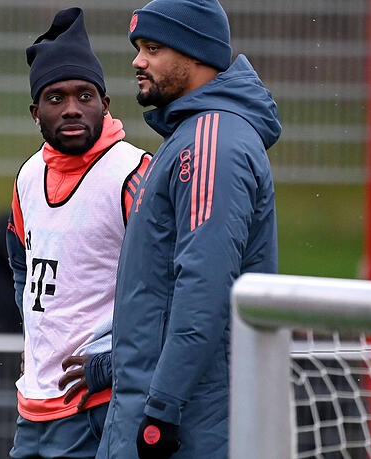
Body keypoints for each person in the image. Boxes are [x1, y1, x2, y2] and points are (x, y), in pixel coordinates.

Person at [98, 1, 282, 458]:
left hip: (185, 423)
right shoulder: (189, 136)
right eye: (138, 48)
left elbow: (204, 286)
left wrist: (162, 407)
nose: (138, 61)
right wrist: (115, 366)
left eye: (153, 48)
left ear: (197, 55)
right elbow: (159, 292)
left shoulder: (211, 141)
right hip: (159, 405)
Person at [6, 7, 151, 459]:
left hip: (97, 405)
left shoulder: (134, 173)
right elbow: (20, 265)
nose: (72, 108)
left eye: (85, 95)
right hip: (32, 404)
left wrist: (114, 364)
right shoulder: (28, 176)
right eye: (55, 98)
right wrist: (36, 332)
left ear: (105, 104)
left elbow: (168, 289)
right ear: (35, 112)